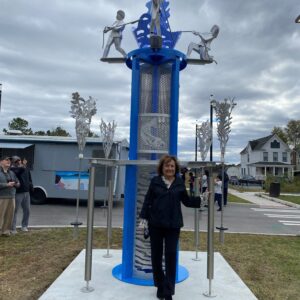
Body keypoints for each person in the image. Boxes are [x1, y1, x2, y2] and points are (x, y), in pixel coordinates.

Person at [140, 155, 200, 300]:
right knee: (156, 256)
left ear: (175, 168)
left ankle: (168, 290)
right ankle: (160, 286)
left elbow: (186, 201)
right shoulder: (155, 181)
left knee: (171, 255)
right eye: (167, 166)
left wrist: (202, 198)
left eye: (172, 166)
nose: (170, 168)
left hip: (173, 226)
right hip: (156, 225)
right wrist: (144, 220)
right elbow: (148, 201)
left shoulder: (179, 182)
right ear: (162, 168)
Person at [11, 156, 33, 233]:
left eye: (19, 160)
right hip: (17, 192)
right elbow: (19, 172)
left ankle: (24, 226)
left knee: (27, 210)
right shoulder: (13, 169)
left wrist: (31, 186)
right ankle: (13, 228)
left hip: (26, 192)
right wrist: (23, 166)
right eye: (17, 161)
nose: (19, 162)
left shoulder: (25, 168)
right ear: (13, 162)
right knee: (15, 211)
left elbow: (29, 178)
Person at [0, 155, 20, 236]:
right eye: (6, 160)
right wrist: (7, 185)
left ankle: (6, 231)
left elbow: (18, 182)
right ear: (1, 162)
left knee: (9, 216)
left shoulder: (11, 172)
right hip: (1, 198)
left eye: (9, 160)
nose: (9, 161)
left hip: (12, 197)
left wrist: (17, 184)